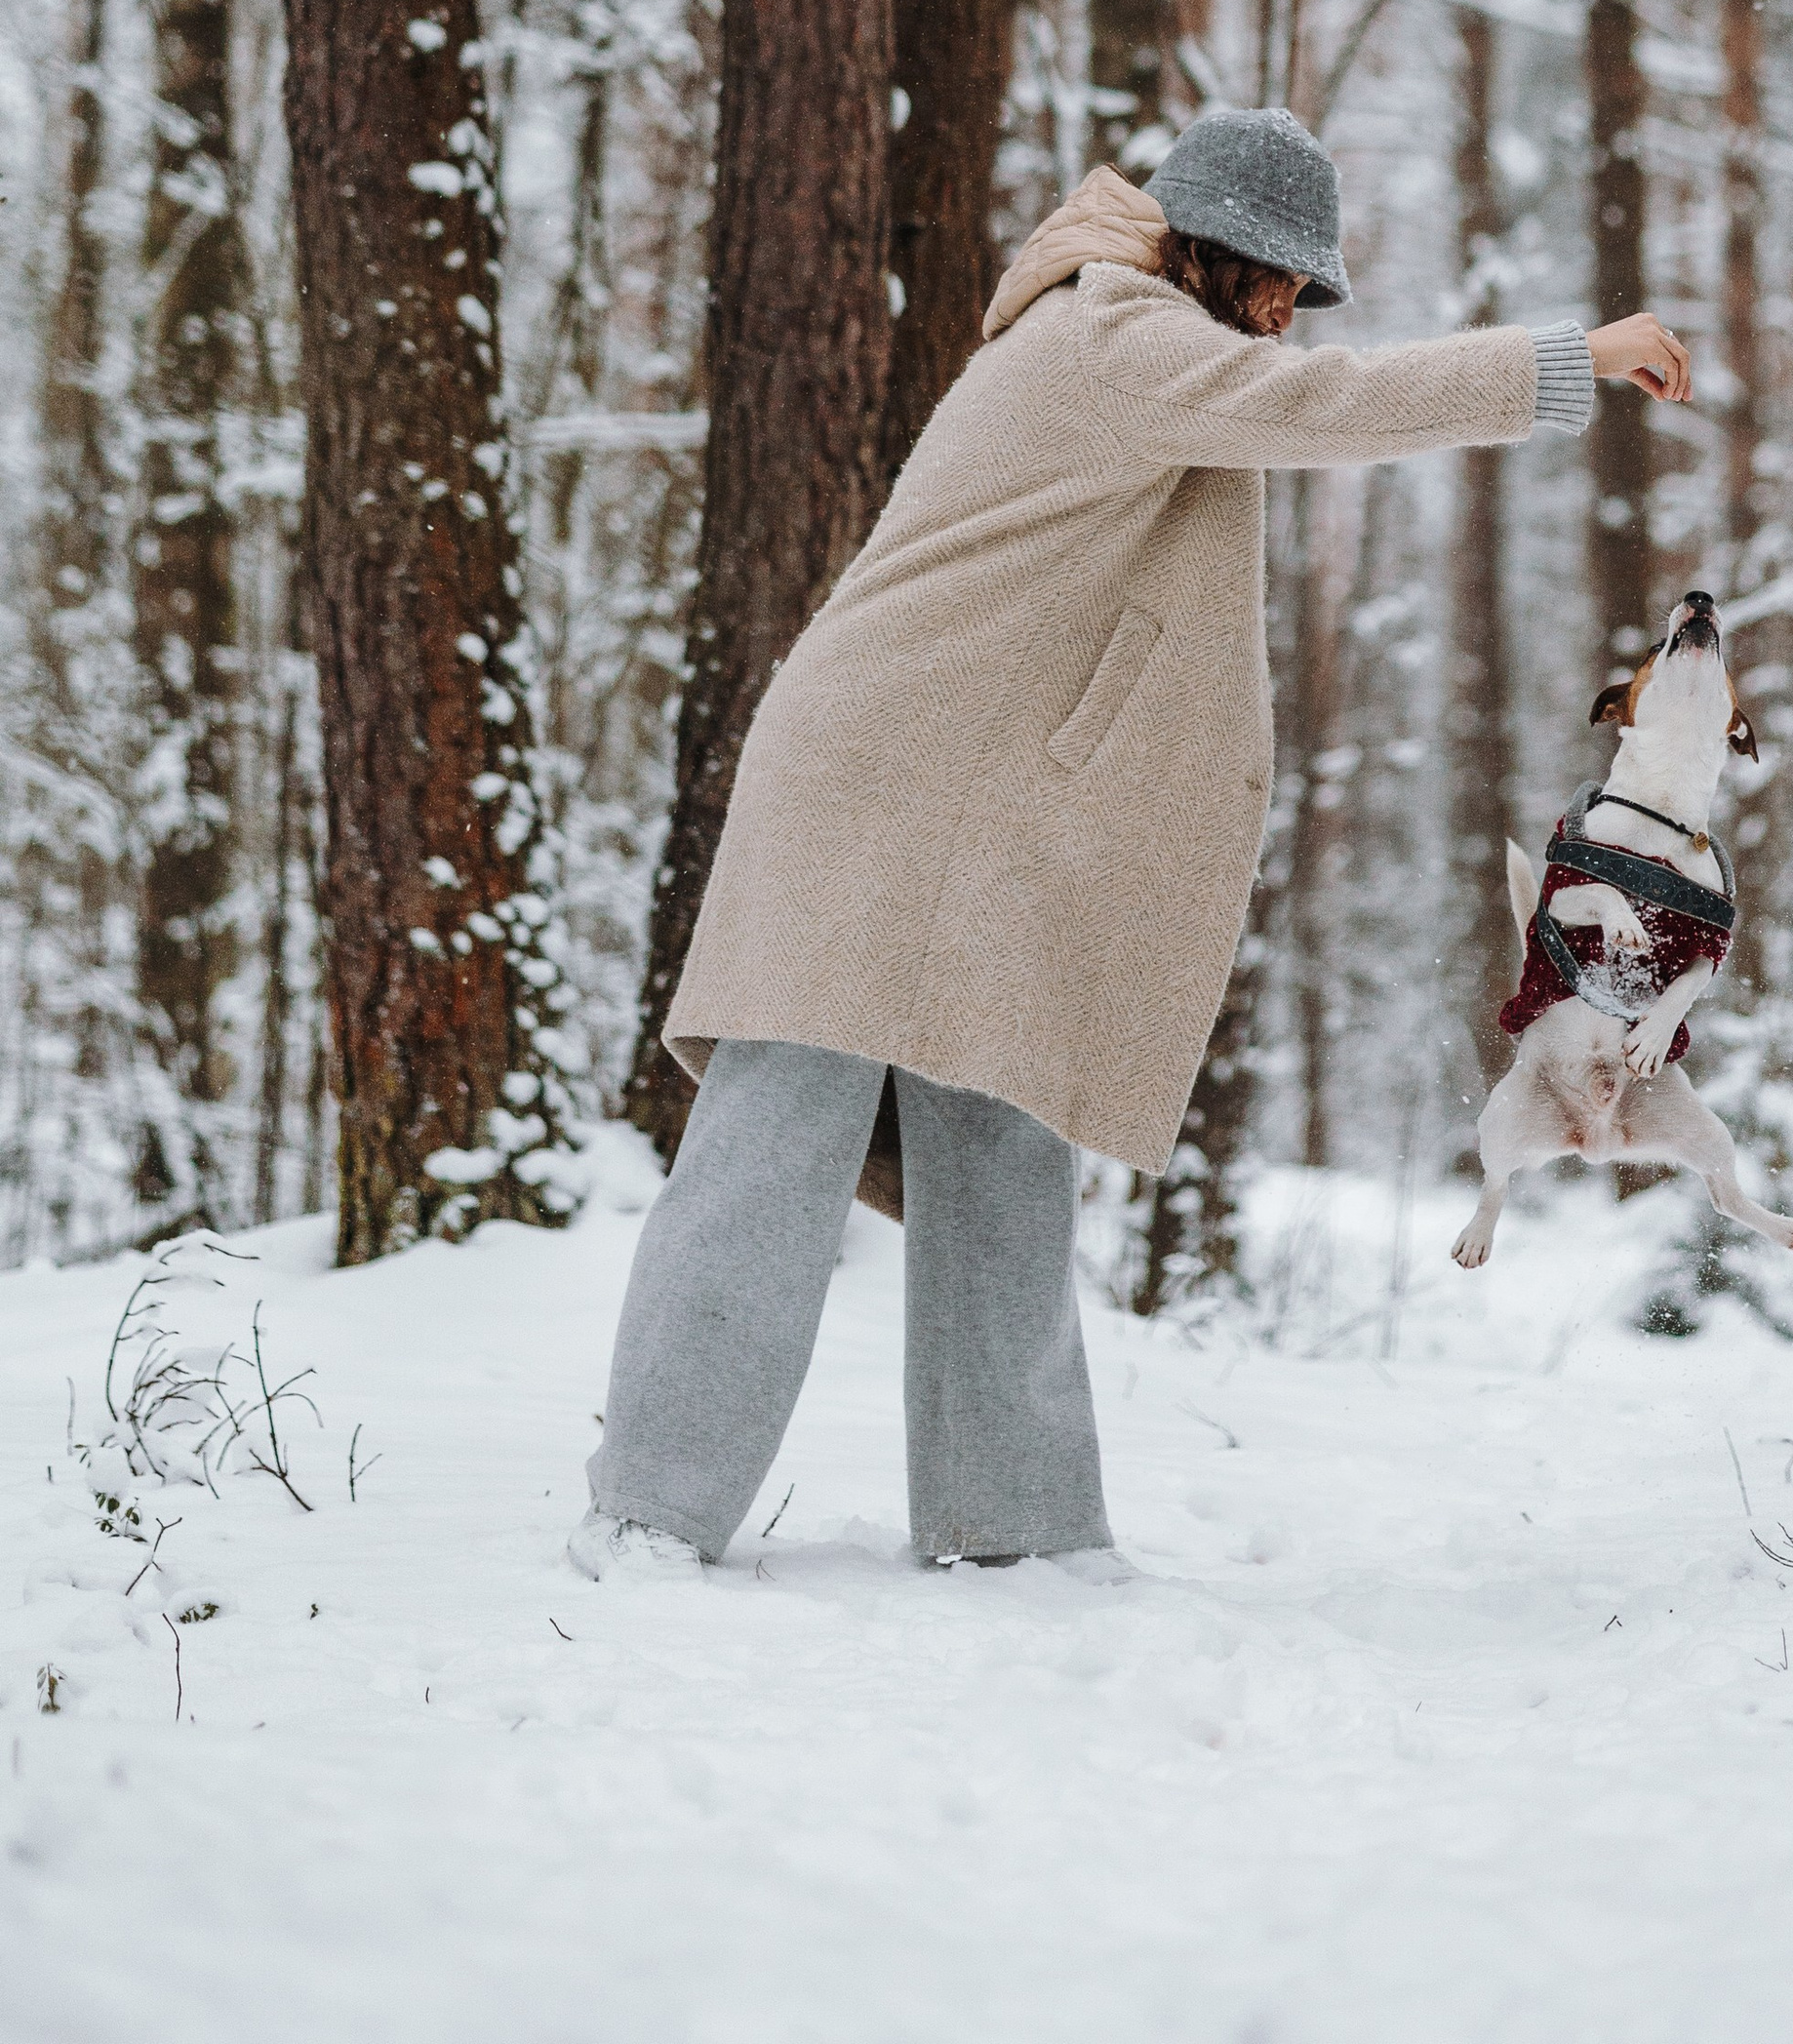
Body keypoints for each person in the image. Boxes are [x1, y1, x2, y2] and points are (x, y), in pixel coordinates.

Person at [571, 103, 1690, 1580]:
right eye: (1278, 281)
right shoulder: (1117, 333)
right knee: (772, 1152)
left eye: (1306, 293)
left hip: (994, 815)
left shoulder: (1146, 349)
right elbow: (1325, 408)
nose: (1290, 315)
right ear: (1204, 255)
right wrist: (1570, 360)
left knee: (1005, 1141)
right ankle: (648, 1515)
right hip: (880, 793)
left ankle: (1016, 1531)